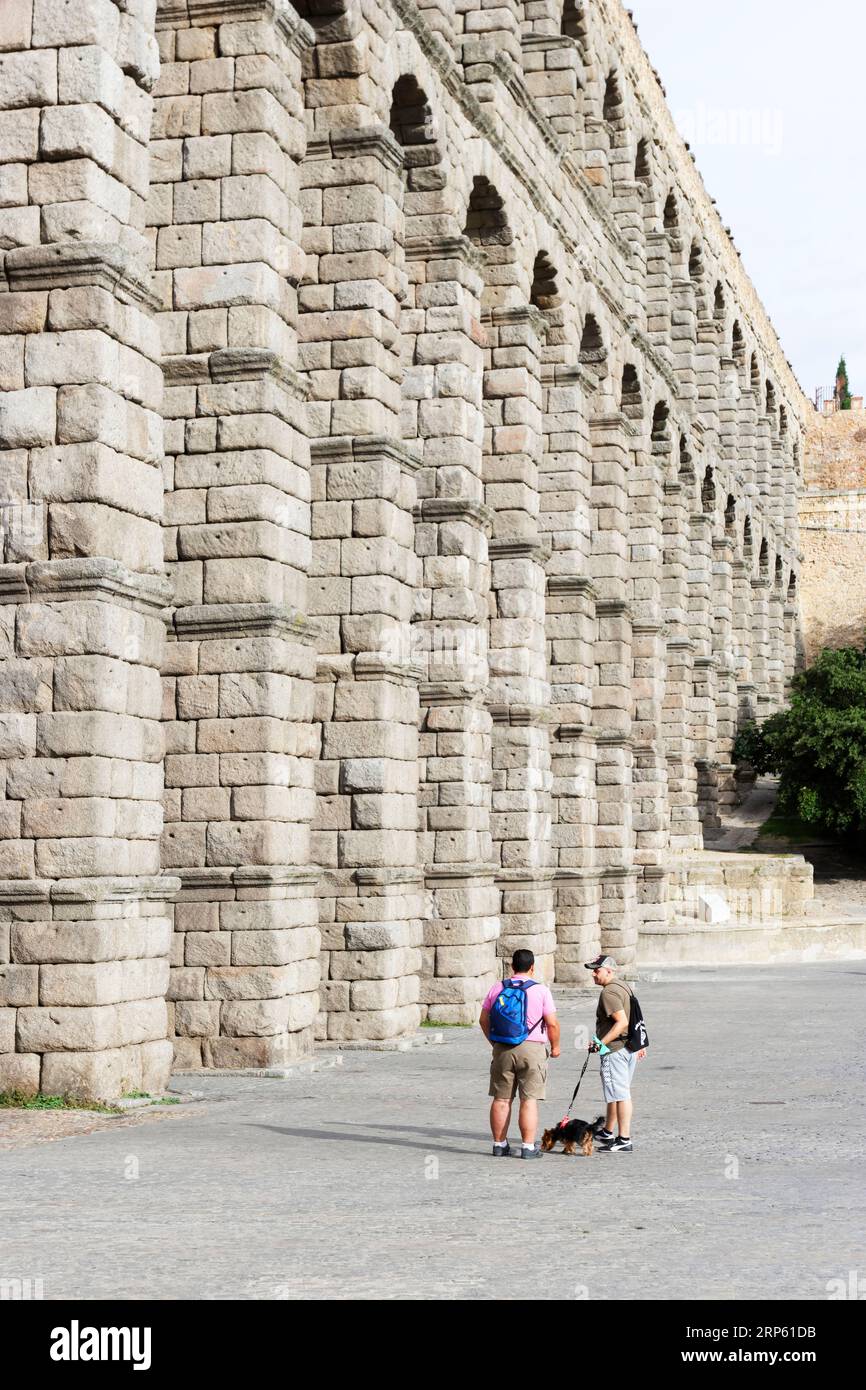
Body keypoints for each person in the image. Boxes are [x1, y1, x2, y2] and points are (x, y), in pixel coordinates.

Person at [479, 949, 560, 1159]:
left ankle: (499, 1144)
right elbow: (551, 1023)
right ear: (532, 967)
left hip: (502, 1048)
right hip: (532, 1048)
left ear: (512, 967)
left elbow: (483, 1019)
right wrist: (556, 1047)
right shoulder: (541, 990)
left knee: (501, 1099)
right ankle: (527, 1147)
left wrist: (494, 1043)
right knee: (528, 1099)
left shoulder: (497, 988)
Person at [584, 954, 646, 1153]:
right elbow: (635, 1014)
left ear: (609, 971)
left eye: (596, 970)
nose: (593, 974)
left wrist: (599, 1043)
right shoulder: (623, 986)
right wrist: (640, 1042)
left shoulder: (608, 993)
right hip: (628, 1047)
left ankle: (624, 1139)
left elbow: (622, 1022)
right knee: (615, 1092)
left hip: (615, 1050)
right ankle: (608, 1131)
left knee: (621, 1094)